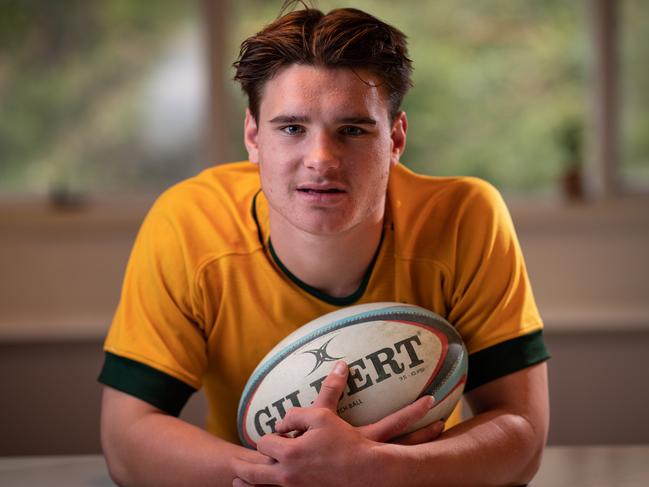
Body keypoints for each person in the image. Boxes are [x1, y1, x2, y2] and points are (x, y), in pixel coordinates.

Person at [99, 3, 550, 486]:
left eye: (352, 130)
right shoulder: (189, 221)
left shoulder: (465, 217)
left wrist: (376, 470)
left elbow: (521, 437)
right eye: (292, 128)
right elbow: (126, 439)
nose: (321, 159)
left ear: (396, 139)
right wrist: (283, 473)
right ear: (253, 136)